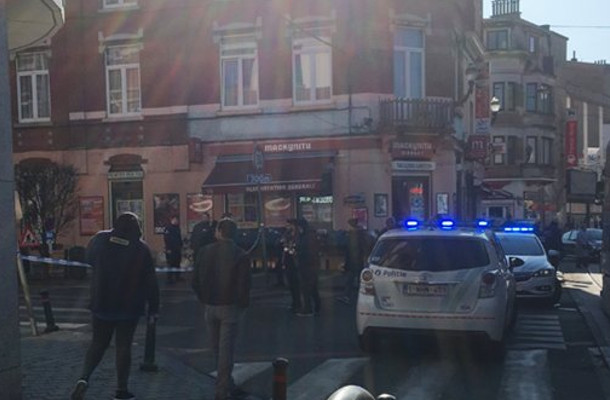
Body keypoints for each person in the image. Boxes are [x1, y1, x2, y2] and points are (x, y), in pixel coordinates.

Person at [70, 212, 160, 400]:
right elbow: (151, 282)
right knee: (124, 346)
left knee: (98, 343)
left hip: (102, 302)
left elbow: (89, 259)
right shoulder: (141, 249)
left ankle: (84, 377)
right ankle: (121, 390)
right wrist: (153, 307)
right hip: (129, 307)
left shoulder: (100, 240)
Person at [192, 218, 251, 400]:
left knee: (217, 348)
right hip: (229, 306)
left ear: (218, 232)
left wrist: (203, 298)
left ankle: (227, 384)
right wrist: (241, 304)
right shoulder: (240, 254)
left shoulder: (204, 251)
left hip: (210, 305)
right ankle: (222, 390)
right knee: (226, 350)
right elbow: (244, 285)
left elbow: (195, 280)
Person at [291, 218, 321, 317]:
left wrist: (297, 252)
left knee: (306, 287)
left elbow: (308, 251)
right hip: (311, 265)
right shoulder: (309, 235)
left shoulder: (306, 236)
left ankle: (308, 309)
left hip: (307, 265)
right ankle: (317, 306)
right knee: (313, 287)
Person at [336, 218, 367, 304]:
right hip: (359, 261)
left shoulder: (353, 235)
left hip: (354, 261)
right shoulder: (361, 234)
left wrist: (348, 262)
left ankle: (347, 296)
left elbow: (351, 250)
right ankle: (361, 297)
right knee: (358, 280)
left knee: (350, 280)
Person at [280, 221, 301, 312]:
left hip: (295, 263)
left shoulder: (297, 236)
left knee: (296, 284)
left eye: (289, 225)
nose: (287, 227)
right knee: (292, 285)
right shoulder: (287, 235)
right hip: (289, 262)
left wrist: (289, 249)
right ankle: (295, 302)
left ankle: (298, 303)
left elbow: (295, 249)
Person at [163, 215, 183, 284]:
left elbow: (179, 238)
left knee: (177, 263)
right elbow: (166, 239)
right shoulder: (168, 228)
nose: (176, 221)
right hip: (170, 249)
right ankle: (169, 279)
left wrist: (181, 245)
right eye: (175, 219)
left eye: (177, 220)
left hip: (177, 249)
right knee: (170, 264)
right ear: (171, 220)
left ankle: (177, 277)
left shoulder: (177, 228)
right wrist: (168, 249)